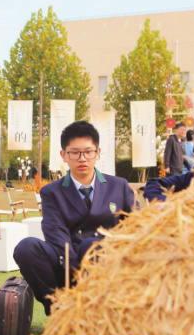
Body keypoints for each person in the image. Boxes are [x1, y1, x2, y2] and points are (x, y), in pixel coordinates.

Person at [13, 121, 136, 316]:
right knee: (26, 247)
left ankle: (97, 313)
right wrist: (76, 268)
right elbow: (55, 233)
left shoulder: (118, 186)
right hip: (66, 264)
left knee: (92, 245)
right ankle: (59, 313)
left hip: (106, 265)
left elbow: (136, 227)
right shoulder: (51, 191)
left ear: (98, 153)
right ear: (64, 155)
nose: (82, 158)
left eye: (88, 152)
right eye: (75, 152)